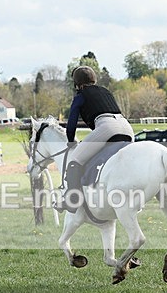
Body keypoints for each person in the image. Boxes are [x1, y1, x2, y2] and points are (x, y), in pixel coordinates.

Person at [57, 66, 134, 212]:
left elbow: (71, 123)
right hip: (127, 127)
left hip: (107, 127)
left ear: (77, 83)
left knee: (75, 160)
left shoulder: (80, 96)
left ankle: (72, 200)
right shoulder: (106, 92)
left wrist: (71, 140)